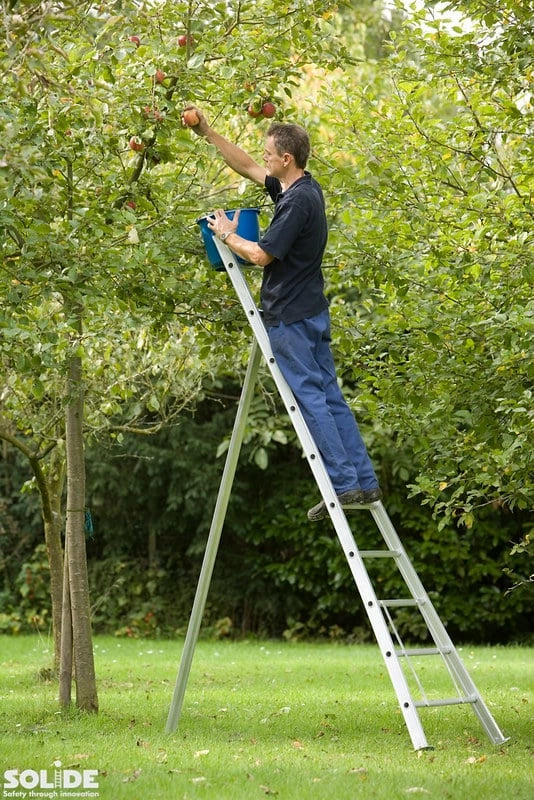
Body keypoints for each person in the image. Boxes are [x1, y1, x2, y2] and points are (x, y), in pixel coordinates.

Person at [183, 107, 381, 520]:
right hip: (312, 311)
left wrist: (227, 233)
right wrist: (207, 131)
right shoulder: (303, 188)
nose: (266, 158)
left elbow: (260, 255)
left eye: (271, 153)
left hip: (290, 316)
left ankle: (343, 486)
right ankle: (363, 482)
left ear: (287, 158)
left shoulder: (295, 206)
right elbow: (248, 167)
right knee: (330, 396)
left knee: (311, 399)